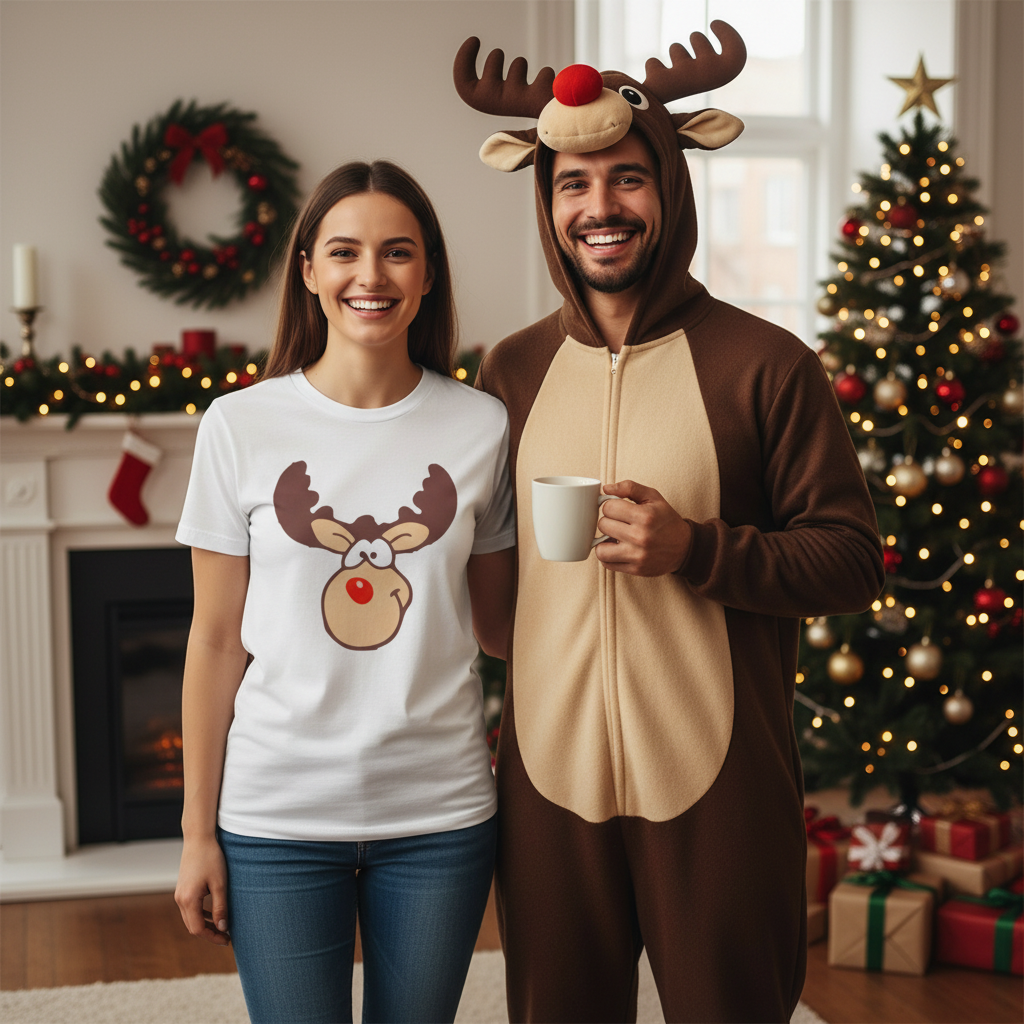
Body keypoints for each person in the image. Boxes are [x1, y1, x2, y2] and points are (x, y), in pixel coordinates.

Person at [453, 23, 885, 1024]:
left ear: (670, 186)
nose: (599, 207)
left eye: (626, 180)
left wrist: (697, 548)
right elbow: (489, 566)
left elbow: (851, 560)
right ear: (545, 199)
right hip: (548, 787)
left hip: (722, 782)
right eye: (572, 185)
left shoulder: (767, 365)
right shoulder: (507, 371)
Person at [173, 160, 515, 1024]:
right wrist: (195, 834)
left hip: (440, 816)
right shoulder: (239, 427)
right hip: (277, 818)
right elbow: (215, 642)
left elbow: (507, 630)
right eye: (346, 252)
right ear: (310, 270)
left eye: (398, 253)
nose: (372, 276)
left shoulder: (482, 427)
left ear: (428, 272)